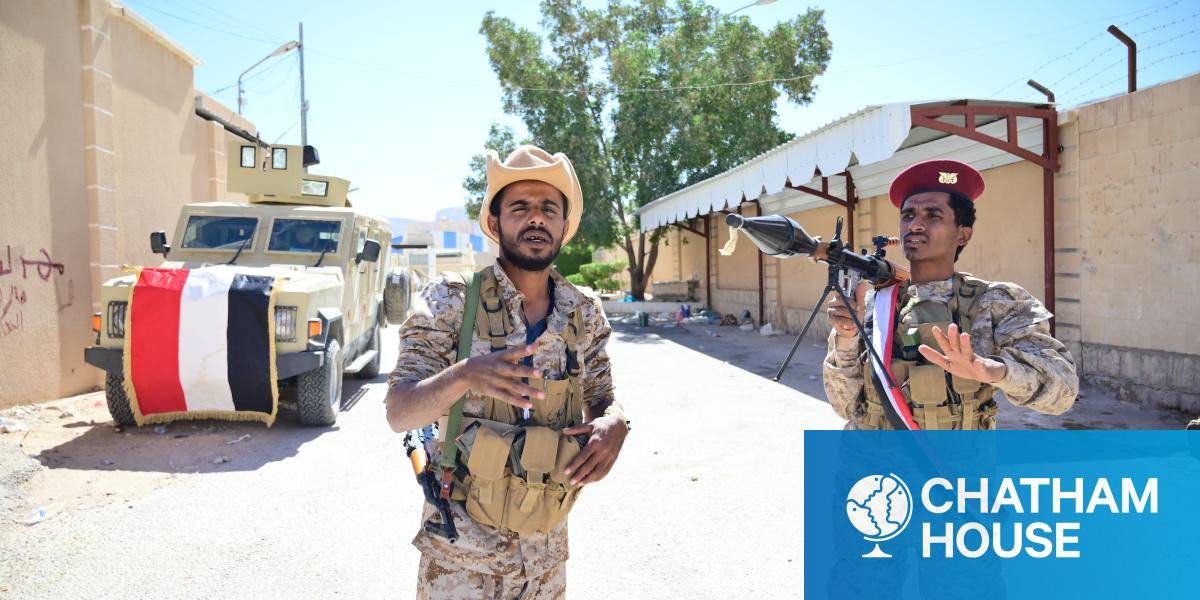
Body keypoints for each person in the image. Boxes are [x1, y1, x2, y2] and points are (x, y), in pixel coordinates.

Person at [385, 145, 629, 598]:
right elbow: (400, 412)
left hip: (545, 558)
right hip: (461, 561)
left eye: (548, 209)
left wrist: (616, 422)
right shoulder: (451, 301)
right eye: (520, 207)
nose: (536, 218)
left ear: (564, 226)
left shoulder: (584, 313)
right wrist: (464, 375)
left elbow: (603, 396)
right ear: (496, 224)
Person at [822, 159, 1078, 430]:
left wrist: (994, 371)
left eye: (932, 215)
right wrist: (847, 338)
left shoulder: (997, 302)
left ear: (963, 235)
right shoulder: (875, 303)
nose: (915, 225)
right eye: (908, 215)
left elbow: (1062, 393)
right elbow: (845, 406)